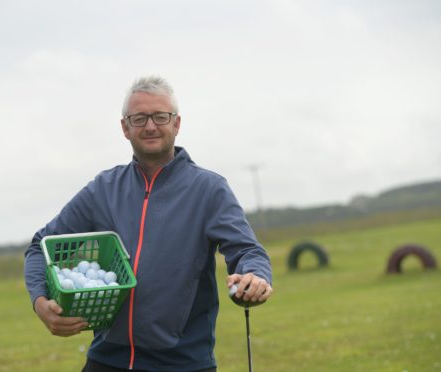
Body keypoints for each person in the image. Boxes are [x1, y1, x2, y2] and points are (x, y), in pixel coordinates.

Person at [24, 75, 273, 371]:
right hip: (106, 360)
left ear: (176, 124)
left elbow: (247, 251)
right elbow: (41, 246)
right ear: (125, 128)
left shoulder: (209, 189)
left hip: (183, 364)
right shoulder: (103, 188)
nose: (151, 126)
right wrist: (41, 303)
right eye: (139, 118)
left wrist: (254, 276)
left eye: (160, 116)